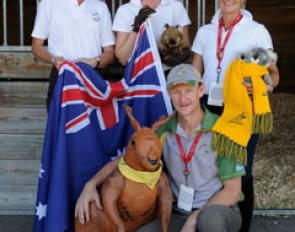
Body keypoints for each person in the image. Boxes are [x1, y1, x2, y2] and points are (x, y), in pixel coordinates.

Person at [75, 64, 245, 232]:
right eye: (176, 92)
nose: (182, 98)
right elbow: (129, 159)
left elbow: (233, 190)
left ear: (200, 90)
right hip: (179, 212)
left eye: (188, 91)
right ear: (169, 94)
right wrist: (91, 184)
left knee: (209, 220)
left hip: (217, 209)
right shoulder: (164, 129)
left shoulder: (223, 131)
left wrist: (195, 219)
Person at [191, 0, 280, 231]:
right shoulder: (205, 32)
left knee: (242, 169)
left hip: (242, 108)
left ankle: (242, 228)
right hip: (209, 107)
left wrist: (264, 87)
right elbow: (195, 72)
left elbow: (273, 73)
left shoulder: (256, 30)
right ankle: (212, 222)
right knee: (212, 166)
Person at [31, 0, 115, 110]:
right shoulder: (49, 3)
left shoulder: (100, 7)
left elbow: (110, 53)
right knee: (59, 124)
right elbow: (36, 46)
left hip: (93, 77)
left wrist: (95, 61)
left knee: (93, 125)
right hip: (62, 75)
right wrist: (53, 59)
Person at [112, 0, 191, 66]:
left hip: (169, 72)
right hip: (138, 74)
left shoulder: (176, 7)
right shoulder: (125, 10)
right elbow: (123, 59)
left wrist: (172, 56)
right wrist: (136, 27)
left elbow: (186, 47)